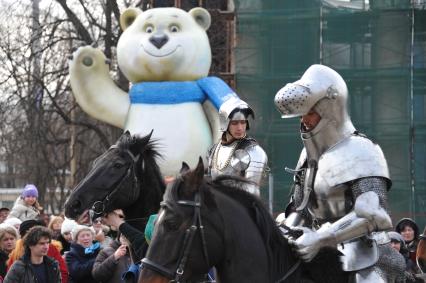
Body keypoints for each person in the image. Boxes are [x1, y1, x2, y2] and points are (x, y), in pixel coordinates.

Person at [274, 64, 405, 282]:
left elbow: (375, 215)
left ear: (329, 110)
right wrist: (283, 232)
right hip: (315, 249)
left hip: (364, 253)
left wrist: (322, 237)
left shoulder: (362, 150)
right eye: (301, 116)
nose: (304, 121)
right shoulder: (307, 155)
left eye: (309, 114)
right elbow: (300, 207)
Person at [207, 100, 268, 196]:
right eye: (234, 123)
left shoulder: (253, 151)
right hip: (216, 205)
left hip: (243, 207)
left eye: (243, 122)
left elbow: (252, 190)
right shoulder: (214, 150)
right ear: (225, 124)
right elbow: (209, 181)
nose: (240, 128)